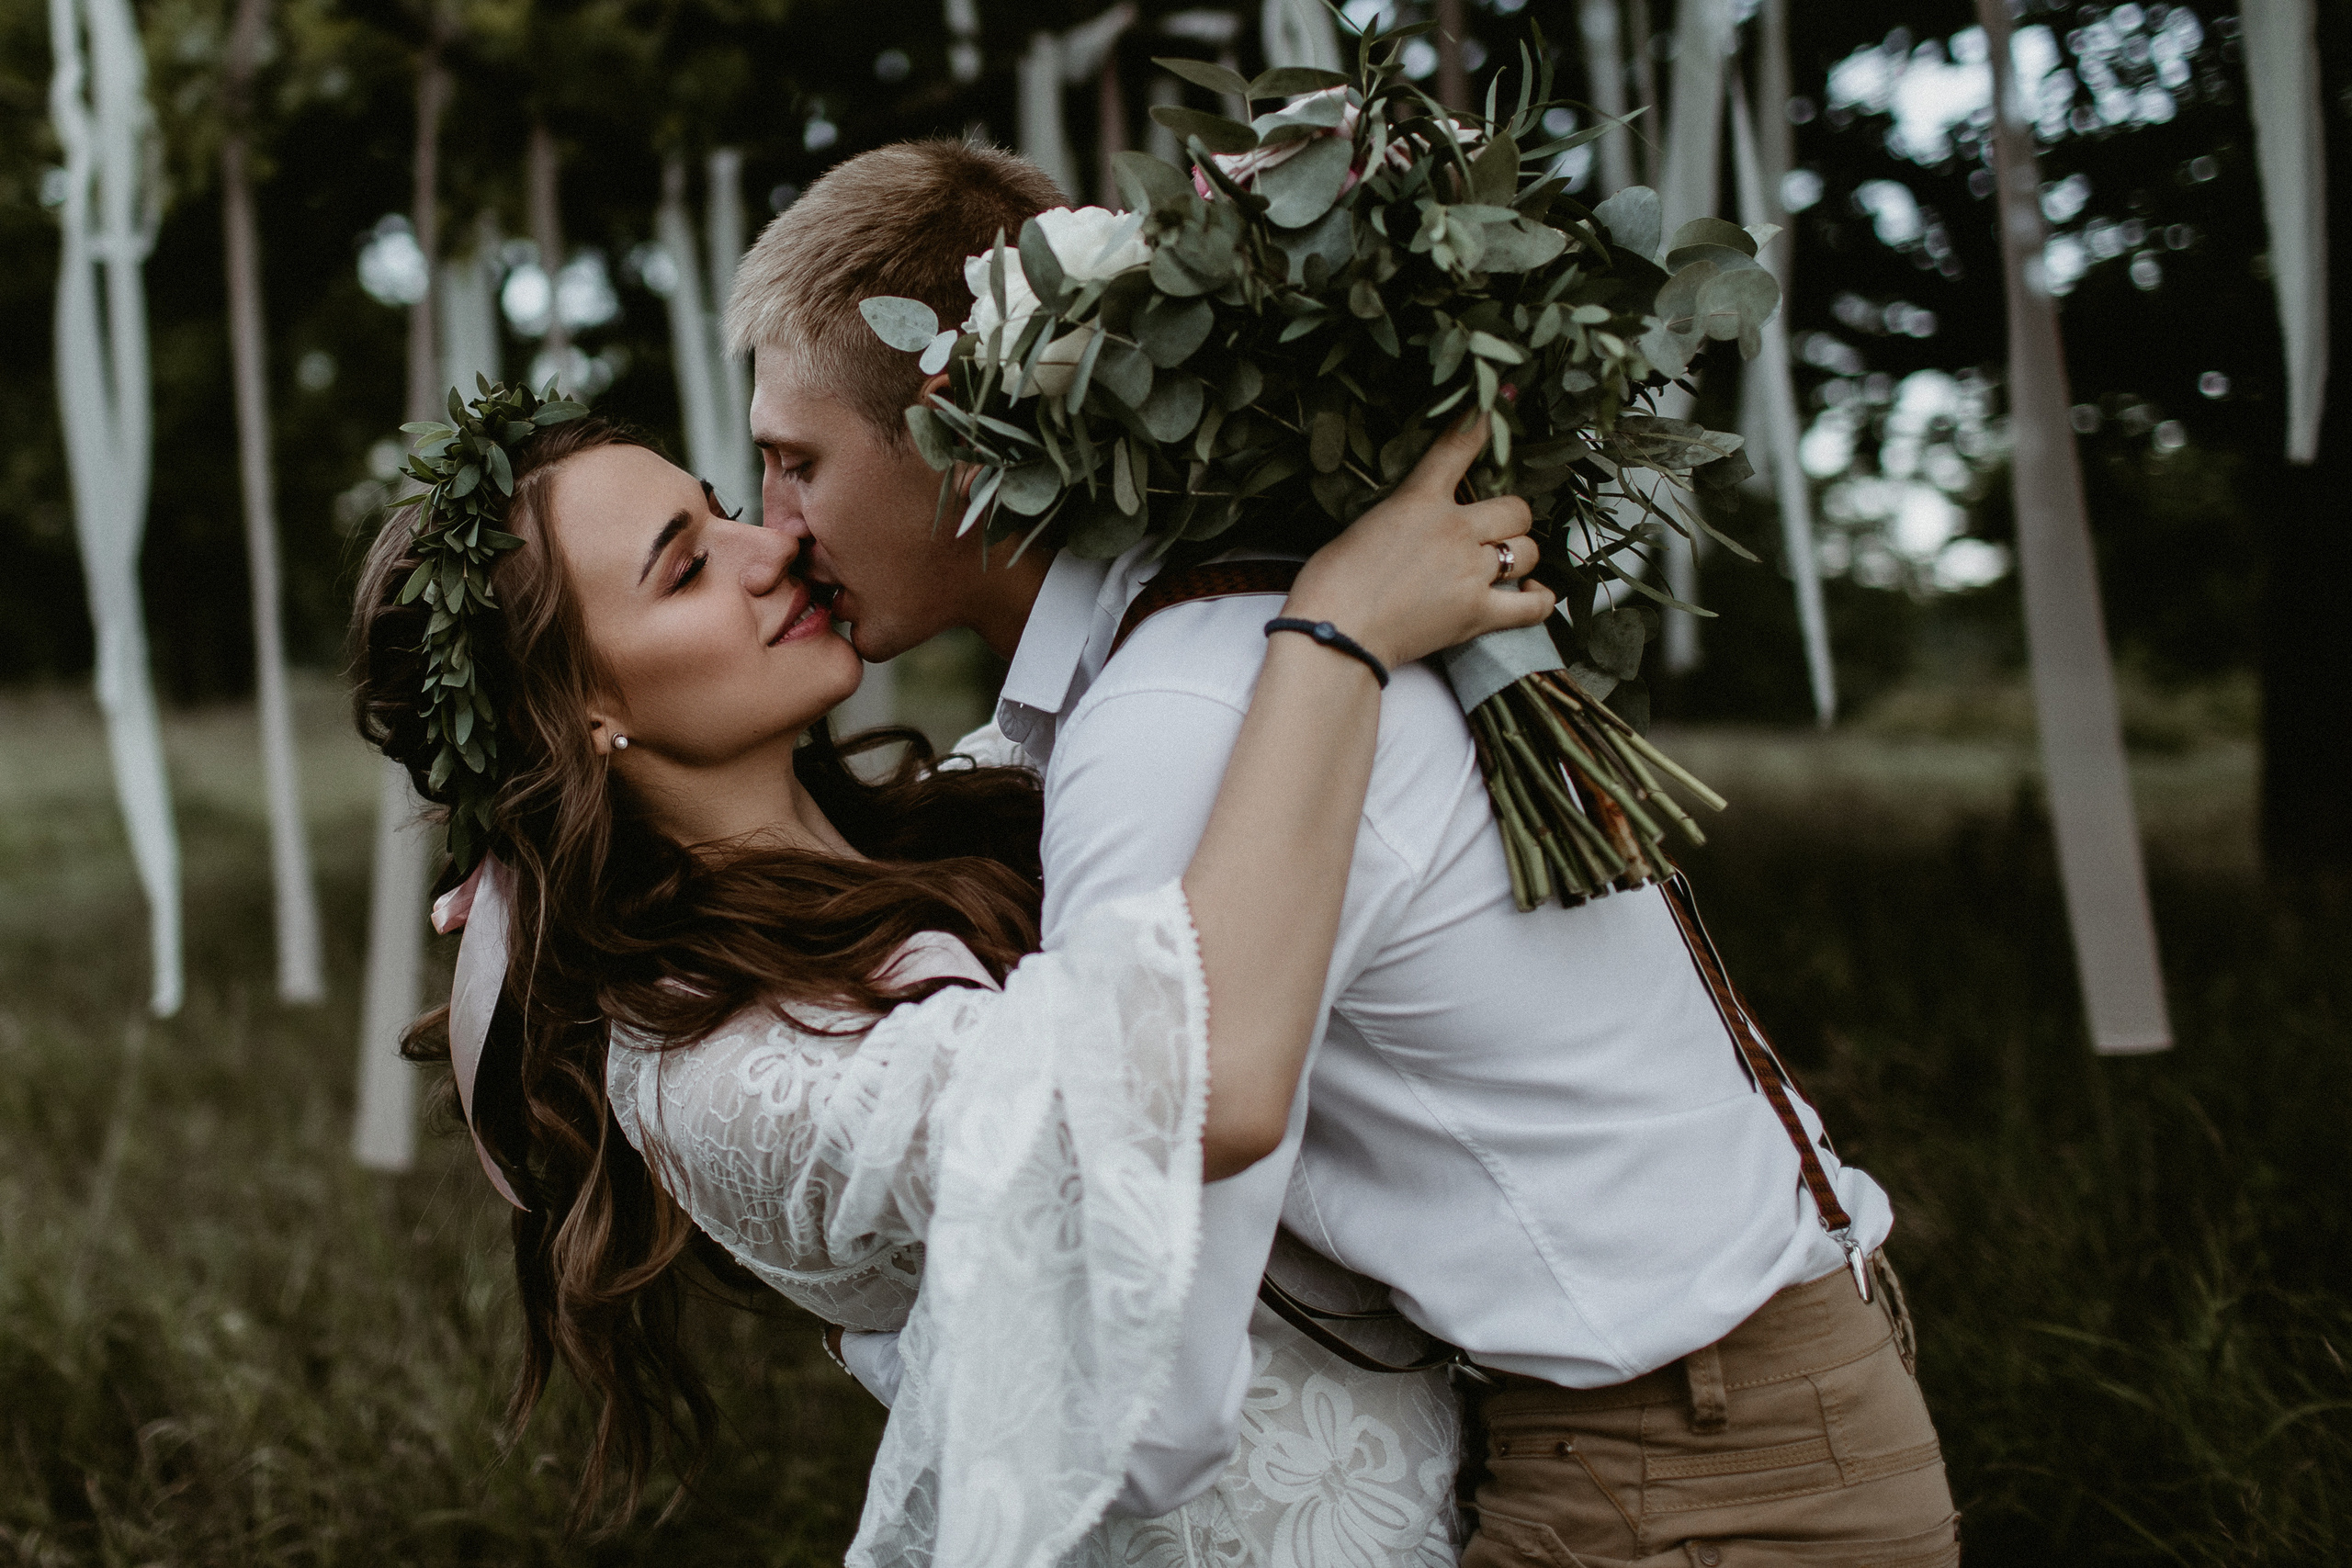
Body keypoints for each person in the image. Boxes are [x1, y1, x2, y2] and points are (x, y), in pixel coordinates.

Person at [725, 138, 1962, 1568]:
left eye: (796, 462)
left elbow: (1146, 1393)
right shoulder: (1225, 636)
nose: (772, 531)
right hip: (1732, 1413)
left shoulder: (1180, 711)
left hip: (1692, 1484)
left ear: (953, 426)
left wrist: (868, 1293)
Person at [353, 385, 1549, 1564]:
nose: (770, 548)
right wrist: (1337, 634)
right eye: (688, 567)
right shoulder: (715, 1069)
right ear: (578, 713)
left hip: (1467, 1483)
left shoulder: (927, 825)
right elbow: (1183, 1082)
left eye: (722, 509)